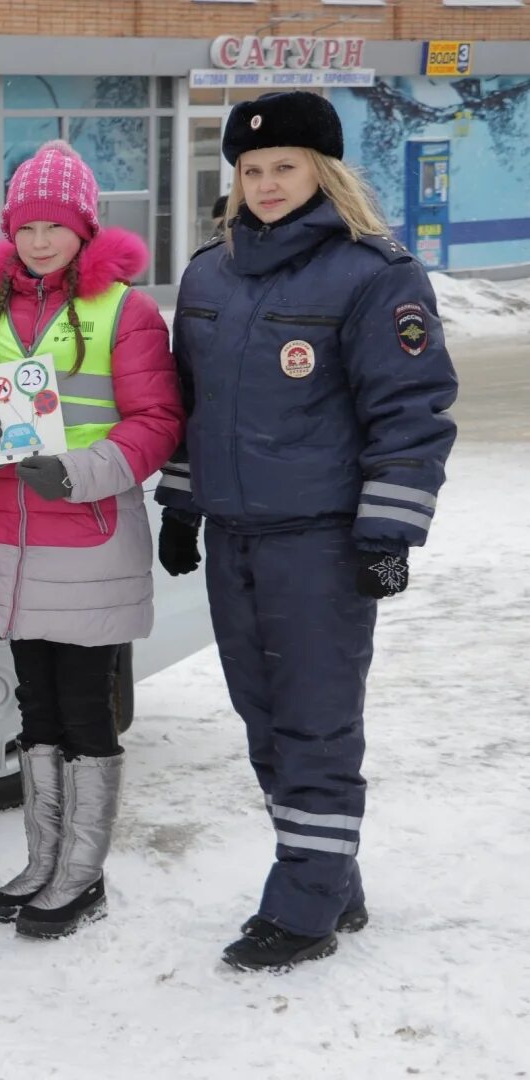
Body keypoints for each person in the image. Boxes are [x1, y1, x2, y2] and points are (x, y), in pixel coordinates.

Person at [157, 92, 457, 971]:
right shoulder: (209, 276)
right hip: (234, 539)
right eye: (251, 169)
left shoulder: (375, 275)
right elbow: (192, 409)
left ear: (322, 171)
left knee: (315, 724)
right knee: (263, 722)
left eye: (284, 166)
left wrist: (388, 532)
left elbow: (411, 411)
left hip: (321, 543)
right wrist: (181, 505)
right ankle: (329, 879)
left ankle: (302, 908)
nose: (265, 183)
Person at [0, 141, 182, 939]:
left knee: (85, 709)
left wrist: (80, 472)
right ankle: (43, 860)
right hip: (12, 541)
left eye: (54, 225)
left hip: (88, 537)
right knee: (35, 706)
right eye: (26, 226)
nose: (40, 240)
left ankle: (84, 874)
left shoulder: (125, 311)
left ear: (85, 227)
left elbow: (158, 422)